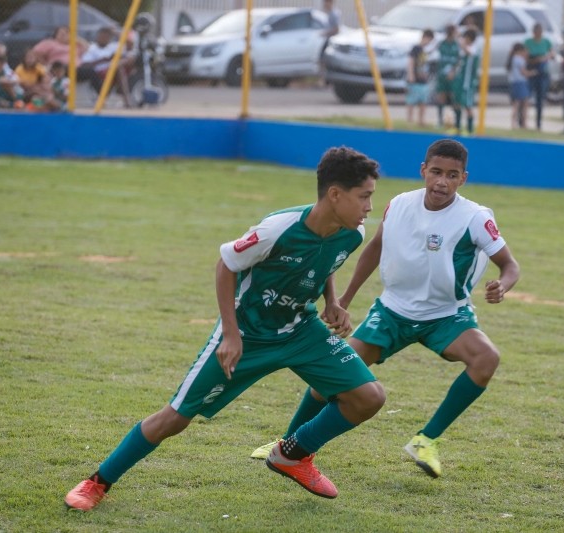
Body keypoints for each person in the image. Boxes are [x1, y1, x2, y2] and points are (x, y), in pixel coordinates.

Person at [64, 146, 386, 511]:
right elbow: (226, 265)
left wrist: (332, 302)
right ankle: (97, 482)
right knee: (175, 418)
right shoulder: (277, 229)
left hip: (301, 328)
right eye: (365, 196)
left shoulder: (352, 232)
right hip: (247, 335)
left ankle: (292, 454)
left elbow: (327, 263)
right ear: (334, 194)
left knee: (369, 396)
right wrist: (231, 335)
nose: (369, 207)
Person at [251, 139, 520, 479]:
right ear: (423, 170)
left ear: (463, 178)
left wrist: (503, 285)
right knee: (331, 375)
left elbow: (510, 265)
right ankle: (288, 443)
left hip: (447, 315)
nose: (442, 181)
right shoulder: (399, 205)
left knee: (487, 358)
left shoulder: (475, 218)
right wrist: (343, 300)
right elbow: (373, 249)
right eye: (436, 172)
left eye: (452, 175)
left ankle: (426, 440)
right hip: (392, 311)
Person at [524, 23, 554, 131]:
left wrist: (545, 58)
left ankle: (538, 122)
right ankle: (522, 120)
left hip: (542, 72)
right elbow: (526, 56)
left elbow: (552, 54)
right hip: (532, 68)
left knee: (540, 99)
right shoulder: (528, 42)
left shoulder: (546, 42)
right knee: (526, 96)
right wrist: (536, 60)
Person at [435, 24, 463, 132]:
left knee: (454, 98)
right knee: (441, 97)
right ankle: (440, 121)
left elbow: (460, 60)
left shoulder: (457, 45)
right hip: (442, 75)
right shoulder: (441, 44)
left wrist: (453, 72)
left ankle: (457, 123)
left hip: (453, 77)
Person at [406, 29, 434, 127]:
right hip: (415, 79)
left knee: (423, 101)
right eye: (429, 40)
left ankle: (421, 120)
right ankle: (409, 119)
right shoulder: (416, 48)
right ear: (425, 37)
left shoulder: (425, 50)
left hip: (423, 80)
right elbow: (411, 61)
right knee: (412, 100)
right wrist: (411, 75)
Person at [454, 28, 480, 135]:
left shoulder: (474, 49)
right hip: (460, 81)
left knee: (468, 105)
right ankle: (457, 128)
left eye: (466, 38)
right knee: (456, 103)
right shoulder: (463, 50)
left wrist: (459, 38)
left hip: (468, 83)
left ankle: (470, 130)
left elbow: (467, 51)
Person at [507, 43, 534, 129]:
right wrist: (532, 73)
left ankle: (514, 123)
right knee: (523, 104)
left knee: (516, 104)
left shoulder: (513, 59)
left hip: (514, 82)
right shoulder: (519, 59)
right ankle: (523, 123)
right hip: (520, 82)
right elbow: (523, 72)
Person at [317, 0, 341, 87]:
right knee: (322, 60)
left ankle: (325, 81)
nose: (324, 5)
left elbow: (336, 29)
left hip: (331, 40)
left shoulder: (334, 14)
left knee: (323, 60)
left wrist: (325, 33)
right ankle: (324, 80)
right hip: (328, 39)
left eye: (326, 2)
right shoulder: (330, 13)